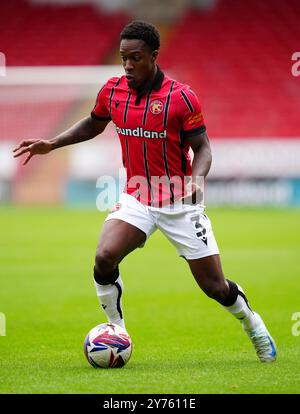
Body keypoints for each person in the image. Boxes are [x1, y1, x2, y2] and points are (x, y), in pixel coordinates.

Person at [13, 20, 277, 363]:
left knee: (215, 287)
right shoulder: (113, 90)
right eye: (124, 58)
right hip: (138, 194)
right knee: (105, 257)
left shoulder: (181, 97)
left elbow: (204, 148)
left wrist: (197, 179)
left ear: (153, 56)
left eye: (135, 58)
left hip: (180, 202)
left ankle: (252, 324)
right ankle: (116, 329)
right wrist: (53, 143)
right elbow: (94, 122)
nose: (127, 65)